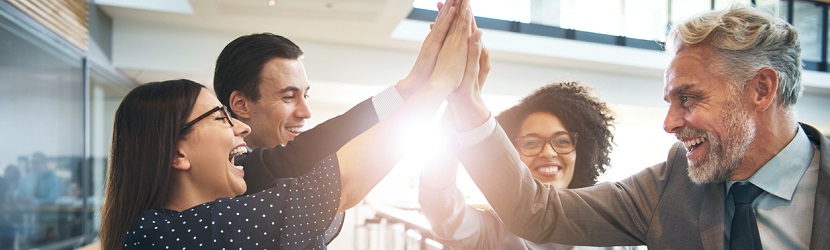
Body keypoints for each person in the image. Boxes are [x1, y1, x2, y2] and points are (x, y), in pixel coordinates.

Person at [100, 0, 484, 248]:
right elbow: (338, 180)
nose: (240, 128)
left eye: (306, 95)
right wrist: (436, 87)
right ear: (177, 151)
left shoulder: (236, 183)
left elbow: (323, 147)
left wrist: (412, 86)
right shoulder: (166, 233)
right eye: (220, 117)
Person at [444, 4, 829, 249]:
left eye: (689, 98)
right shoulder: (673, 185)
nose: (670, 123)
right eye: (670, 101)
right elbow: (537, 212)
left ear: (761, 89)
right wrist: (468, 105)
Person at [213, 2, 487, 194]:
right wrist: (426, 83)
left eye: (305, 95)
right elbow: (311, 150)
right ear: (241, 104)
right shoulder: (223, 171)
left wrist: (413, 84)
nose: (306, 112)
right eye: (288, 97)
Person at [420, 82, 633, 249]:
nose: (548, 153)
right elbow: (442, 208)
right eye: (531, 143)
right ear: (512, 154)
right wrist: (459, 99)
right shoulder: (495, 233)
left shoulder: (611, 231)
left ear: (583, 153)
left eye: (562, 142)